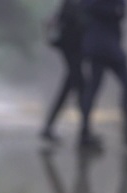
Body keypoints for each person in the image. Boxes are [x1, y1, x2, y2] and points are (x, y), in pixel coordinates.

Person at [80, 0, 127, 147]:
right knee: (95, 87)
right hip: (100, 44)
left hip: (110, 44)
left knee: (125, 84)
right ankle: (85, 133)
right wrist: (112, 11)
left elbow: (121, 12)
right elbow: (89, 7)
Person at [41, 0, 85, 143]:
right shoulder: (73, 4)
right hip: (71, 46)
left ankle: (49, 127)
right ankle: (85, 131)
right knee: (79, 86)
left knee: (71, 86)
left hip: (72, 46)